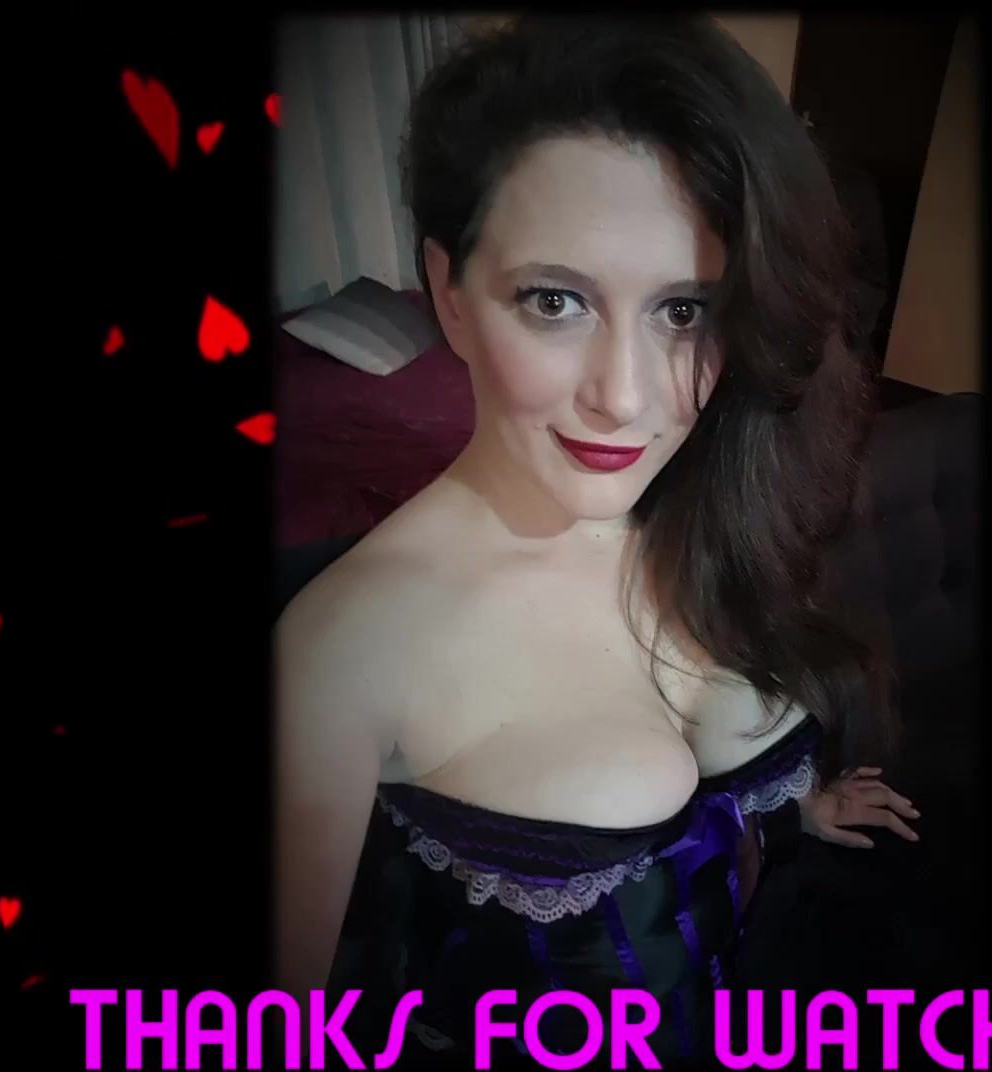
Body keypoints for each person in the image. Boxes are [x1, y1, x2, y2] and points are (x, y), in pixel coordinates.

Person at [274, 14, 920, 1066]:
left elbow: (694, 807)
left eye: (684, 312)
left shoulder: (705, 504)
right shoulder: (341, 653)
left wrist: (795, 806)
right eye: (555, 299)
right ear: (448, 292)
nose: (625, 397)